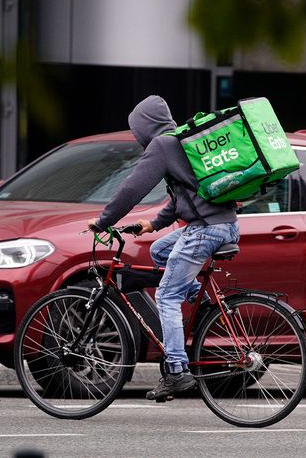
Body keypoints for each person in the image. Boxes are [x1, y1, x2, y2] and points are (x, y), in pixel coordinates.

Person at [87, 95, 239, 400]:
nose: (135, 137)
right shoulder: (179, 141)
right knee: (158, 251)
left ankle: (176, 371)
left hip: (204, 231)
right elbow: (186, 195)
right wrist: (154, 225)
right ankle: (205, 304)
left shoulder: (162, 145)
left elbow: (132, 188)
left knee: (168, 296)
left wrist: (104, 221)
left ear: (145, 127)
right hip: (225, 225)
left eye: (135, 130)